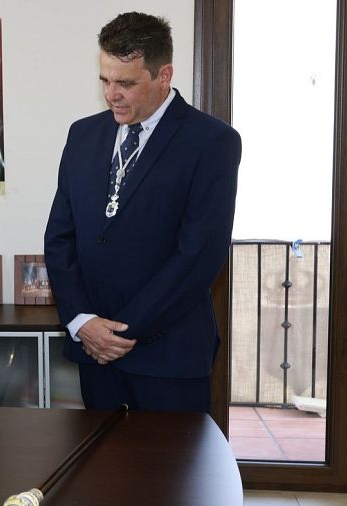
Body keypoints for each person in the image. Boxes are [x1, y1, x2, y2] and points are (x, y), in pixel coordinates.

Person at [44, 12, 241, 413]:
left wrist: (121, 333)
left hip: (170, 357)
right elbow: (59, 237)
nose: (111, 94)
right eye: (105, 80)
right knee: (102, 474)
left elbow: (199, 257)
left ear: (163, 74)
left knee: (173, 475)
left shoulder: (212, 142)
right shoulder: (82, 135)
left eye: (126, 83)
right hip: (94, 353)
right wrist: (83, 323)